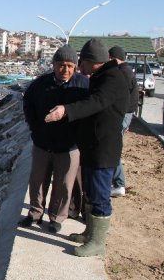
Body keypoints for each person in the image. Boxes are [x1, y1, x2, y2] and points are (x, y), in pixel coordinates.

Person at [45, 38, 129, 257]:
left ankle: (98, 243)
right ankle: (90, 233)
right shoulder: (102, 76)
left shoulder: (112, 78)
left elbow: (96, 103)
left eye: (82, 61)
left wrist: (66, 110)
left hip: (104, 148)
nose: (79, 67)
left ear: (93, 61)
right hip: (92, 146)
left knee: (100, 194)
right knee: (91, 193)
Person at [20, 45, 89, 233]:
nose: (65, 70)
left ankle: (57, 217)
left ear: (75, 66)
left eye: (69, 66)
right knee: (37, 181)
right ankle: (34, 213)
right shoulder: (40, 84)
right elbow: (28, 103)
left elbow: (91, 109)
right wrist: (34, 127)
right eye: (61, 65)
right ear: (53, 65)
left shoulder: (83, 85)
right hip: (42, 144)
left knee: (64, 185)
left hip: (69, 146)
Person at [108, 46, 139, 197]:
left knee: (112, 148)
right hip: (125, 115)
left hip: (122, 115)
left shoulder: (123, 73)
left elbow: (120, 96)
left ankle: (119, 184)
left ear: (113, 58)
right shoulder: (126, 71)